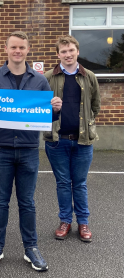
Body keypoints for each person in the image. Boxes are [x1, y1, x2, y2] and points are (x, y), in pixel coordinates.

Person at [0, 31, 62, 272]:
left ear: (27, 49)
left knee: (27, 202)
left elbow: (47, 115)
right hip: (1, 149)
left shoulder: (39, 80)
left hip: (28, 150)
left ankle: (31, 248)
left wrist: (56, 109)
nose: (17, 51)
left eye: (21, 47)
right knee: (0, 201)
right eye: (13, 47)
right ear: (6, 49)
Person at [44, 35, 101, 242]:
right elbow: (41, 106)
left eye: (71, 50)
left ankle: (83, 223)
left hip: (83, 141)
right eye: (63, 51)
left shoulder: (89, 76)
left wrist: (86, 125)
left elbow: (95, 106)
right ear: (58, 54)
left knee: (79, 183)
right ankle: (65, 221)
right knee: (62, 183)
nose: (67, 55)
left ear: (77, 51)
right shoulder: (49, 76)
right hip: (57, 140)